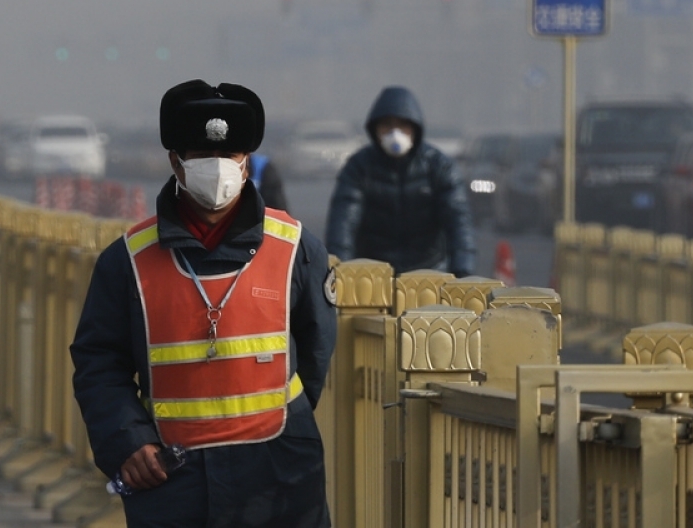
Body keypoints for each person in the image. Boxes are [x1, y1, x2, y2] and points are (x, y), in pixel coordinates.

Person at [71, 79, 338, 528]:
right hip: (173, 478)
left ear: (247, 161)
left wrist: (285, 425)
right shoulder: (128, 262)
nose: (218, 169)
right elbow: (99, 364)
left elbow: (315, 355)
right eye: (201, 156)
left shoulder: (295, 249)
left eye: (229, 156)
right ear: (176, 162)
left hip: (279, 474)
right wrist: (128, 442)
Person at [325, 85, 475, 276]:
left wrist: (462, 272)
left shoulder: (439, 167)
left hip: (429, 272)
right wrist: (340, 272)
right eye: (387, 126)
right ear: (375, 129)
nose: (395, 133)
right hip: (374, 276)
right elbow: (343, 223)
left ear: (415, 128)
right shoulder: (359, 167)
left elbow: (459, 222)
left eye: (403, 126)